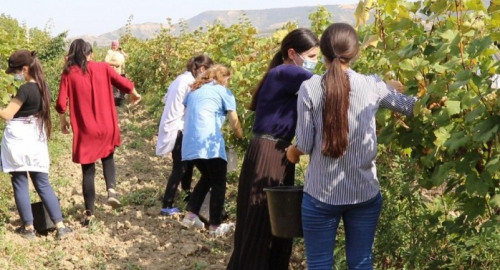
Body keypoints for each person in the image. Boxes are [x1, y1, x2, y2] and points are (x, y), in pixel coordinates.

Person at [286, 23, 416, 270]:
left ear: (321, 51)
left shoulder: (309, 88)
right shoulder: (372, 85)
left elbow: (302, 144)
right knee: (361, 262)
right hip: (364, 192)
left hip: (320, 195)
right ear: (355, 52)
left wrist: (291, 152)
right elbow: (410, 106)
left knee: (320, 263)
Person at [227, 28, 319, 270]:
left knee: (277, 220)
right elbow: (327, 84)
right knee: (263, 219)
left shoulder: (283, 73)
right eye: (311, 55)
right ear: (292, 53)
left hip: (276, 151)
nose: (315, 62)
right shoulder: (286, 72)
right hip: (270, 151)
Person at [56, 39, 141, 225]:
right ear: (90, 53)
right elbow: (123, 83)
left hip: (85, 129)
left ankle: (89, 213)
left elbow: (62, 103)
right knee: (108, 156)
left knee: (88, 170)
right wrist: (134, 93)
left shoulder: (69, 73)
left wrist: (63, 122)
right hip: (106, 125)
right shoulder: (103, 67)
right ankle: (111, 190)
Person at [2, 50, 72, 239]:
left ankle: (29, 229)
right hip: (36, 141)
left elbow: (7, 114)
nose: (15, 75)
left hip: (18, 143)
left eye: (16, 71)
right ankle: (60, 226)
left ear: (25, 69)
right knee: (42, 184)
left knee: (20, 182)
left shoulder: (25, 90)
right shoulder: (44, 87)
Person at [180, 64, 244, 237]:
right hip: (209, 144)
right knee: (218, 183)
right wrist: (241, 137)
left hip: (190, 143)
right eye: (228, 80)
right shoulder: (223, 92)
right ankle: (215, 226)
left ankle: (190, 216)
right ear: (223, 78)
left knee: (207, 177)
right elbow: (234, 120)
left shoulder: (194, 91)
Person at [156, 55, 214, 216]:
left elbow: (166, 98)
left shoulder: (180, 79)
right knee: (180, 166)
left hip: (176, 125)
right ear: (202, 69)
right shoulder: (190, 83)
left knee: (187, 163)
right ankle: (167, 204)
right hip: (178, 128)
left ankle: (187, 194)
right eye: (207, 74)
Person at [105, 40, 128, 106]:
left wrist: (122, 51)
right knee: (116, 88)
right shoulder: (110, 52)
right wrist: (115, 64)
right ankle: (116, 103)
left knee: (122, 86)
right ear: (112, 46)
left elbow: (127, 57)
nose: (115, 46)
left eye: (116, 45)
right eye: (114, 45)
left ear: (118, 46)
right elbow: (106, 61)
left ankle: (121, 101)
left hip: (122, 72)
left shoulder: (120, 52)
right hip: (116, 72)